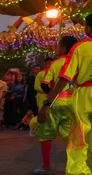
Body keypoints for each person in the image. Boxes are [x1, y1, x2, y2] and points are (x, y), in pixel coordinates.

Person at [40, 13, 92, 174]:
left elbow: (64, 78)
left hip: (84, 93)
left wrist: (47, 103)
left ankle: (78, 171)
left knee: (78, 137)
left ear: (88, 27)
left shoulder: (79, 47)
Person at [34, 35, 77, 175]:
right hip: (73, 103)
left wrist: (49, 97)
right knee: (71, 136)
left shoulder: (55, 64)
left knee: (46, 134)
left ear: (63, 48)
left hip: (55, 102)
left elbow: (44, 84)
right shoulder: (78, 62)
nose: (57, 48)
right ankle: (74, 166)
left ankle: (46, 166)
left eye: (58, 45)